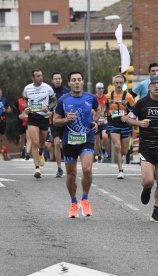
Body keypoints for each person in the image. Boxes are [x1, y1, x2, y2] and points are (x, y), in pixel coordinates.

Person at [125, 76, 158, 223]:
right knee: (148, 181)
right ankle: (147, 189)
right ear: (149, 87)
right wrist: (140, 123)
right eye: (153, 84)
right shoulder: (142, 103)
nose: (156, 86)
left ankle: (156, 211)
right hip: (146, 147)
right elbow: (127, 119)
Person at [53, 71, 99, 218]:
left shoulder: (90, 98)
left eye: (79, 80)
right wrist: (66, 119)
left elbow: (98, 110)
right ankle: (74, 203)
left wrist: (96, 121)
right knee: (71, 175)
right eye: (74, 80)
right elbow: (55, 120)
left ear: (83, 82)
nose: (77, 82)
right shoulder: (63, 100)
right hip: (69, 141)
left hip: (87, 139)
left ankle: (84, 199)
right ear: (69, 83)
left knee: (87, 169)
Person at [23, 69, 56, 179]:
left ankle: (41, 153)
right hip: (33, 117)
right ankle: (37, 168)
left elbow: (54, 101)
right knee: (35, 142)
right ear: (33, 78)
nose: (40, 78)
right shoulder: (27, 89)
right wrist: (26, 108)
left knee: (42, 144)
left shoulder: (48, 88)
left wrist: (48, 108)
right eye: (37, 76)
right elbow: (25, 101)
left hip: (44, 117)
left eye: (41, 76)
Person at [105, 75, 136, 179]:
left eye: (120, 83)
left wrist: (127, 116)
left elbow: (134, 111)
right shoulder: (108, 96)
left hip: (125, 124)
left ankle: (121, 157)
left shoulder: (129, 97)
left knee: (124, 151)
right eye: (116, 83)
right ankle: (120, 170)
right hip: (113, 123)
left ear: (123, 84)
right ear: (113, 84)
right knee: (117, 146)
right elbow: (104, 110)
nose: (118, 85)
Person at [50, 72, 69, 177]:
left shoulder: (66, 92)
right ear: (52, 81)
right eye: (55, 79)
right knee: (57, 143)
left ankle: (69, 165)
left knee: (66, 145)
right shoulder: (49, 92)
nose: (57, 80)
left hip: (65, 121)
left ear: (61, 80)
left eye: (59, 78)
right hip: (54, 121)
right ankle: (59, 168)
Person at [94, 82, 110, 163]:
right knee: (96, 143)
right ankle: (98, 157)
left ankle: (103, 149)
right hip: (95, 122)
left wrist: (105, 112)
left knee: (105, 136)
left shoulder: (106, 97)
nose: (101, 90)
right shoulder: (93, 98)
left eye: (102, 88)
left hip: (104, 121)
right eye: (99, 88)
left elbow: (108, 107)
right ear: (96, 89)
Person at [0, 88, 11, 161]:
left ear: (1, 94)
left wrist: (5, 110)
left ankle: (0, 153)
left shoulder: (5, 100)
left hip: (3, 120)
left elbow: (9, 110)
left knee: (1, 138)